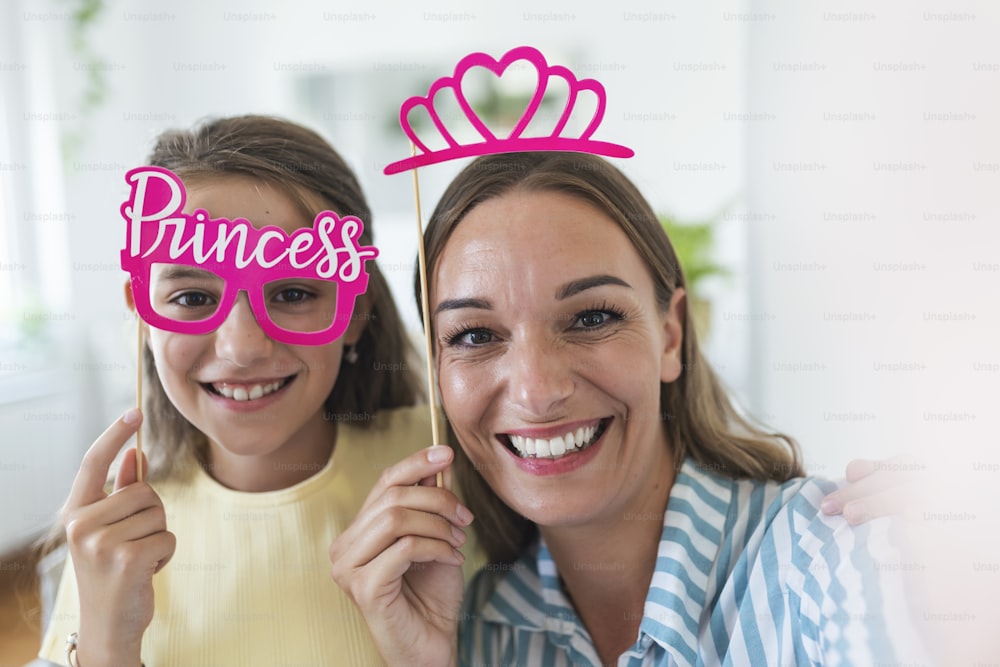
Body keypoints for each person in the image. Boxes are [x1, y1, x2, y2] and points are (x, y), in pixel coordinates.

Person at [329, 151, 927, 666]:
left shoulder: (841, 555)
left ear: (671, 336)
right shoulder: (481, 629)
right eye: (475, 336)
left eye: (592, 318)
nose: (536, 391)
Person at [34, 115, 440, 666]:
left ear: (355, 311)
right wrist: (106, 642)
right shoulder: (113, 529)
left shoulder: (446, 473)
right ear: (143, 314)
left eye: (293, 292)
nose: (242, 348)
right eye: (193, 299)